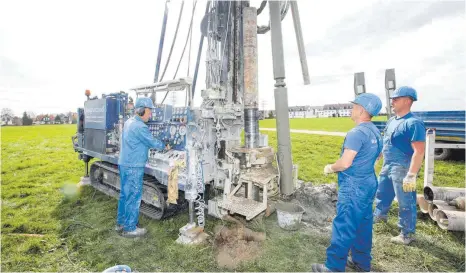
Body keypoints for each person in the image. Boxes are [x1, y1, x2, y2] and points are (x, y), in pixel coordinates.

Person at [312, 93, 383, 272]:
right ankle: (361, 263)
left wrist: (330, 167)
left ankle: (333, 267)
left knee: (344, 225)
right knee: (363, 225)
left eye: (353, 106)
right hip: (368, 183)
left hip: (354, 187)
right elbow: (379, 156)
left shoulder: (356, 133)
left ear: (361, 110)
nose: (351, 109)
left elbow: (345, 163)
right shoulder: (374, 130)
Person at [373, 86, 426, 245]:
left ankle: (406, 234)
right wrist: (379, 155)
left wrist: (411, 175)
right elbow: (386, 141)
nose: (392, 102)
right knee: (382, 193)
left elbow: (419, 151)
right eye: (392, 99)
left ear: (407, 100)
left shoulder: (414, 123)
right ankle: (379, 216)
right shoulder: (391, 121)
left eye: (396, 99)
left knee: (405, 201)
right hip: (388, 165)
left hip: (403, 168)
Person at [116, 97, 169, 238]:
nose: (150, 114)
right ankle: (130, 228)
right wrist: (165, 146)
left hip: (124, 163)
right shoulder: (140, 126)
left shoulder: (129, 122)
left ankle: (121, 223)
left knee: (125, 195)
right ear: (140, 111)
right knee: (134, 196)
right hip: (133, 165)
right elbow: (151, 142)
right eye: (149, 111)